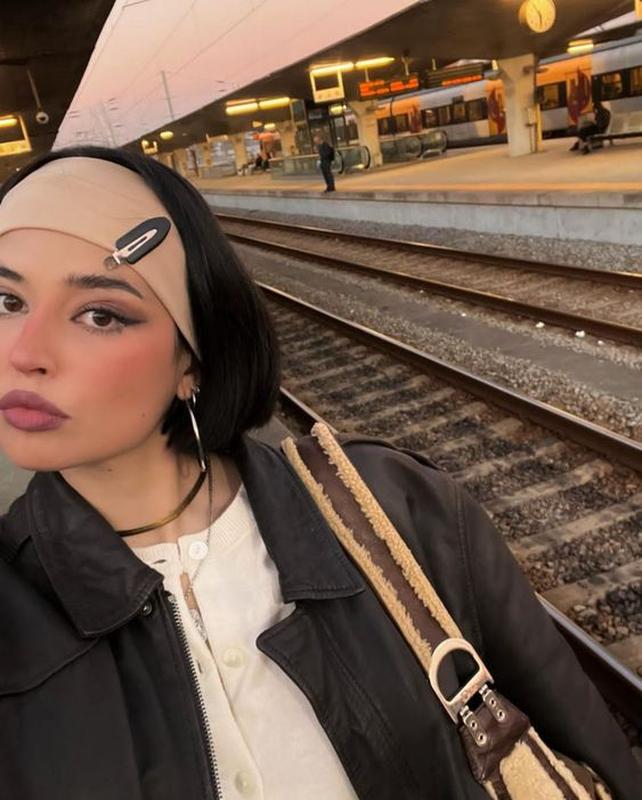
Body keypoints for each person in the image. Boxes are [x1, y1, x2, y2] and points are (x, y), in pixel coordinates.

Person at [0, 146, 639, 800]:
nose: (25, 352)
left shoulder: (403, 510)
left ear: (191, 359)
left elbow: (593, 752)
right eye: (6, 300)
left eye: (99, 314)